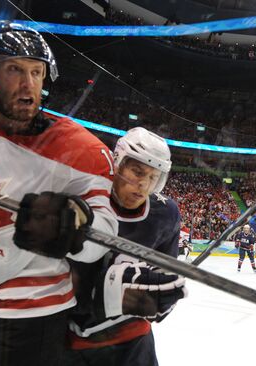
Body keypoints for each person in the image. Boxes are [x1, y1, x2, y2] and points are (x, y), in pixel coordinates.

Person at [0, 20, 118, 366]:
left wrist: (76, 227)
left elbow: (105, 233)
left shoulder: (79, 149)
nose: (28, 85)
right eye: (14, 70)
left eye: (37, 73)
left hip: (35, 315)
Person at [61, 127, 187, 366]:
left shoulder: (165, 213)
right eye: (137, 172)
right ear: (117, 163)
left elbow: (166, 274)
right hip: (71, 337)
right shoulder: (85, 199)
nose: (143, 185)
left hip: (132, 340)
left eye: (153, 177)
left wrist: (162, 296)